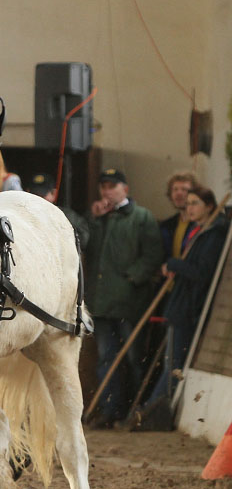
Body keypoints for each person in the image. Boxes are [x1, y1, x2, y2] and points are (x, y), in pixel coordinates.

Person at [84, 168, 164, 428]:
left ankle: (138, 410)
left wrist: (132, 279)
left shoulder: (142, 218)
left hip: (131, 303)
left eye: (113, 186)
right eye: (103, 186)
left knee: (135, 358)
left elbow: (153, 255)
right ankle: (110, 410)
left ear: (125, 189)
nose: (107, 191)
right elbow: (85, 245)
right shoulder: (100, 219)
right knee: (107, 358)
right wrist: (94, 220)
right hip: (102, 305)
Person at [143, 185, 229, 410]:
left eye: (194, 203)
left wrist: (174, 264)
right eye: (187, 203)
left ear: (209, 206)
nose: (189, 208)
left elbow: (202, 272)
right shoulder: (199, 231)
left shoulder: (214, 233)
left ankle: (156, 407)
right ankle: (155, 406)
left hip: (190, 307)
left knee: (174, 364)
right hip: (180, 304)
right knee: (170, 362)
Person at [25, 173, 89, 251]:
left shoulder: (66, 216)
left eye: (43, 195)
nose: (39, 200)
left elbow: (83, 240)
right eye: (34, 195)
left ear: (54, 194)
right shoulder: (22, 217)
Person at [159, 171, 196, 260]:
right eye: (175, 189)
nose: (179, 193)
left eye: (184, 189)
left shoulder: (200, 225)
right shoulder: (166, 226)